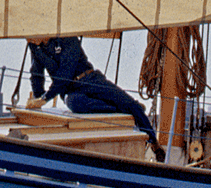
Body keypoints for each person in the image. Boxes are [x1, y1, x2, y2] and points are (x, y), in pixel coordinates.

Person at [26, 36, 163, 156]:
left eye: (31, 36)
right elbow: (36, 74)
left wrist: (44, 99)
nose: (29, 40)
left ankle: (154, 144)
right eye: (28, 38)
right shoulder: (35, 46)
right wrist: (37, 99)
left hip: (91, 79)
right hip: (71, 91)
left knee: (131, 104)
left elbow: (65, 74)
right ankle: (120, 110)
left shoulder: (67, 38)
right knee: (75, 104)